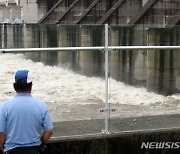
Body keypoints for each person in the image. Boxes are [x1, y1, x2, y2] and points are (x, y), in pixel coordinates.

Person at [0, 70, 54, 154]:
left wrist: (2, 148)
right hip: (34, 150)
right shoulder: (41, 106)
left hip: (12, 151)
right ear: (31, 86)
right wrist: (41, 143)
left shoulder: (5, 107)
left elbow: (1, 133)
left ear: (14, 87)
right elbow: (49, 131)